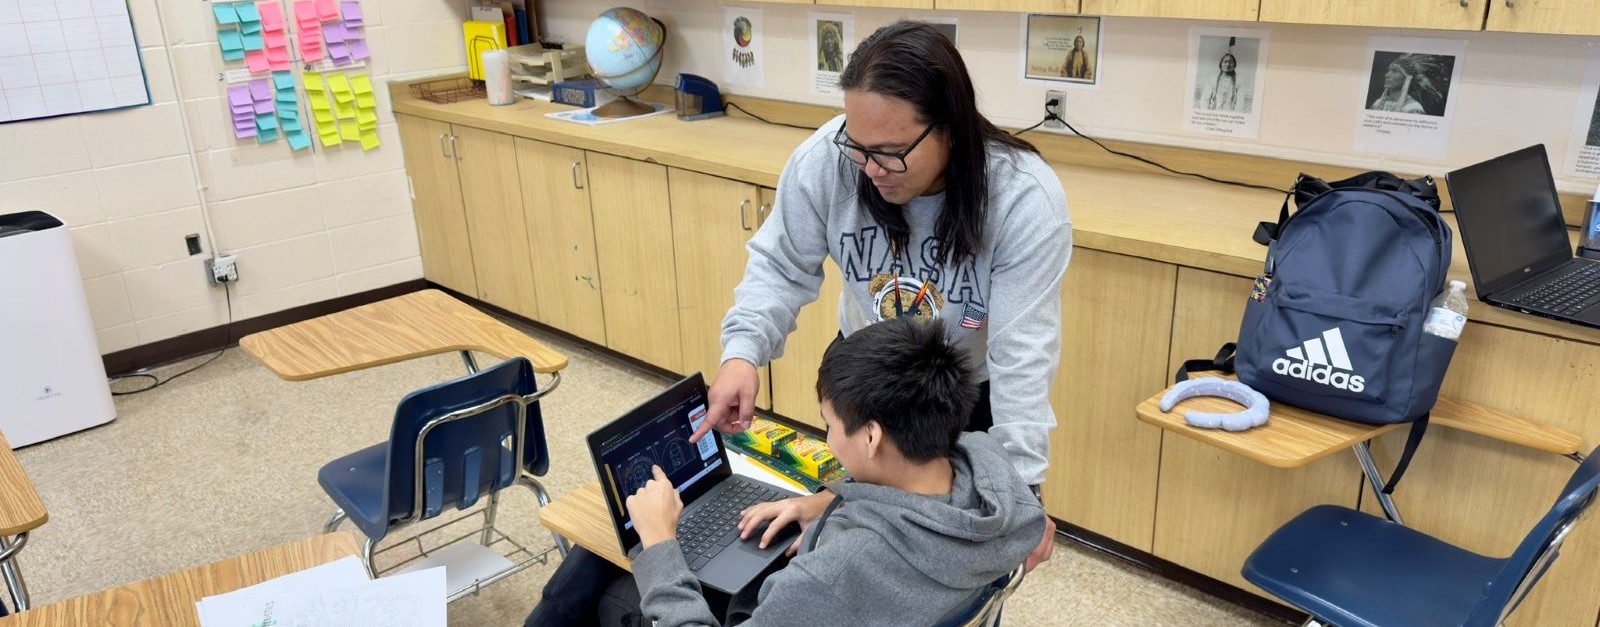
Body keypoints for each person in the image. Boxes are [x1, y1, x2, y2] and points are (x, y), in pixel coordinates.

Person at [692, 19, 1070, 572]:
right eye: (858, 145)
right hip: (864, 378)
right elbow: (779, 265)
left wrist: (1021, 494)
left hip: (962, 393)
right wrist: (742, 354)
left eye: (891, 152)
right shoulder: (830, 158)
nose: (870, 170)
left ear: (951, 128)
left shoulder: (1022, 199)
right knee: (851, 545)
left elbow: (1023, 358)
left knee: (952, 564)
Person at [527, 318, 1047, 626]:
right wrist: (825, 502)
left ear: (870, 435)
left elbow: (836, 579)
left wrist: (662, 545)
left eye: (829, 424)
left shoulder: (834, 575)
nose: (827, 438)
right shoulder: (996, 483)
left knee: (599, 565)